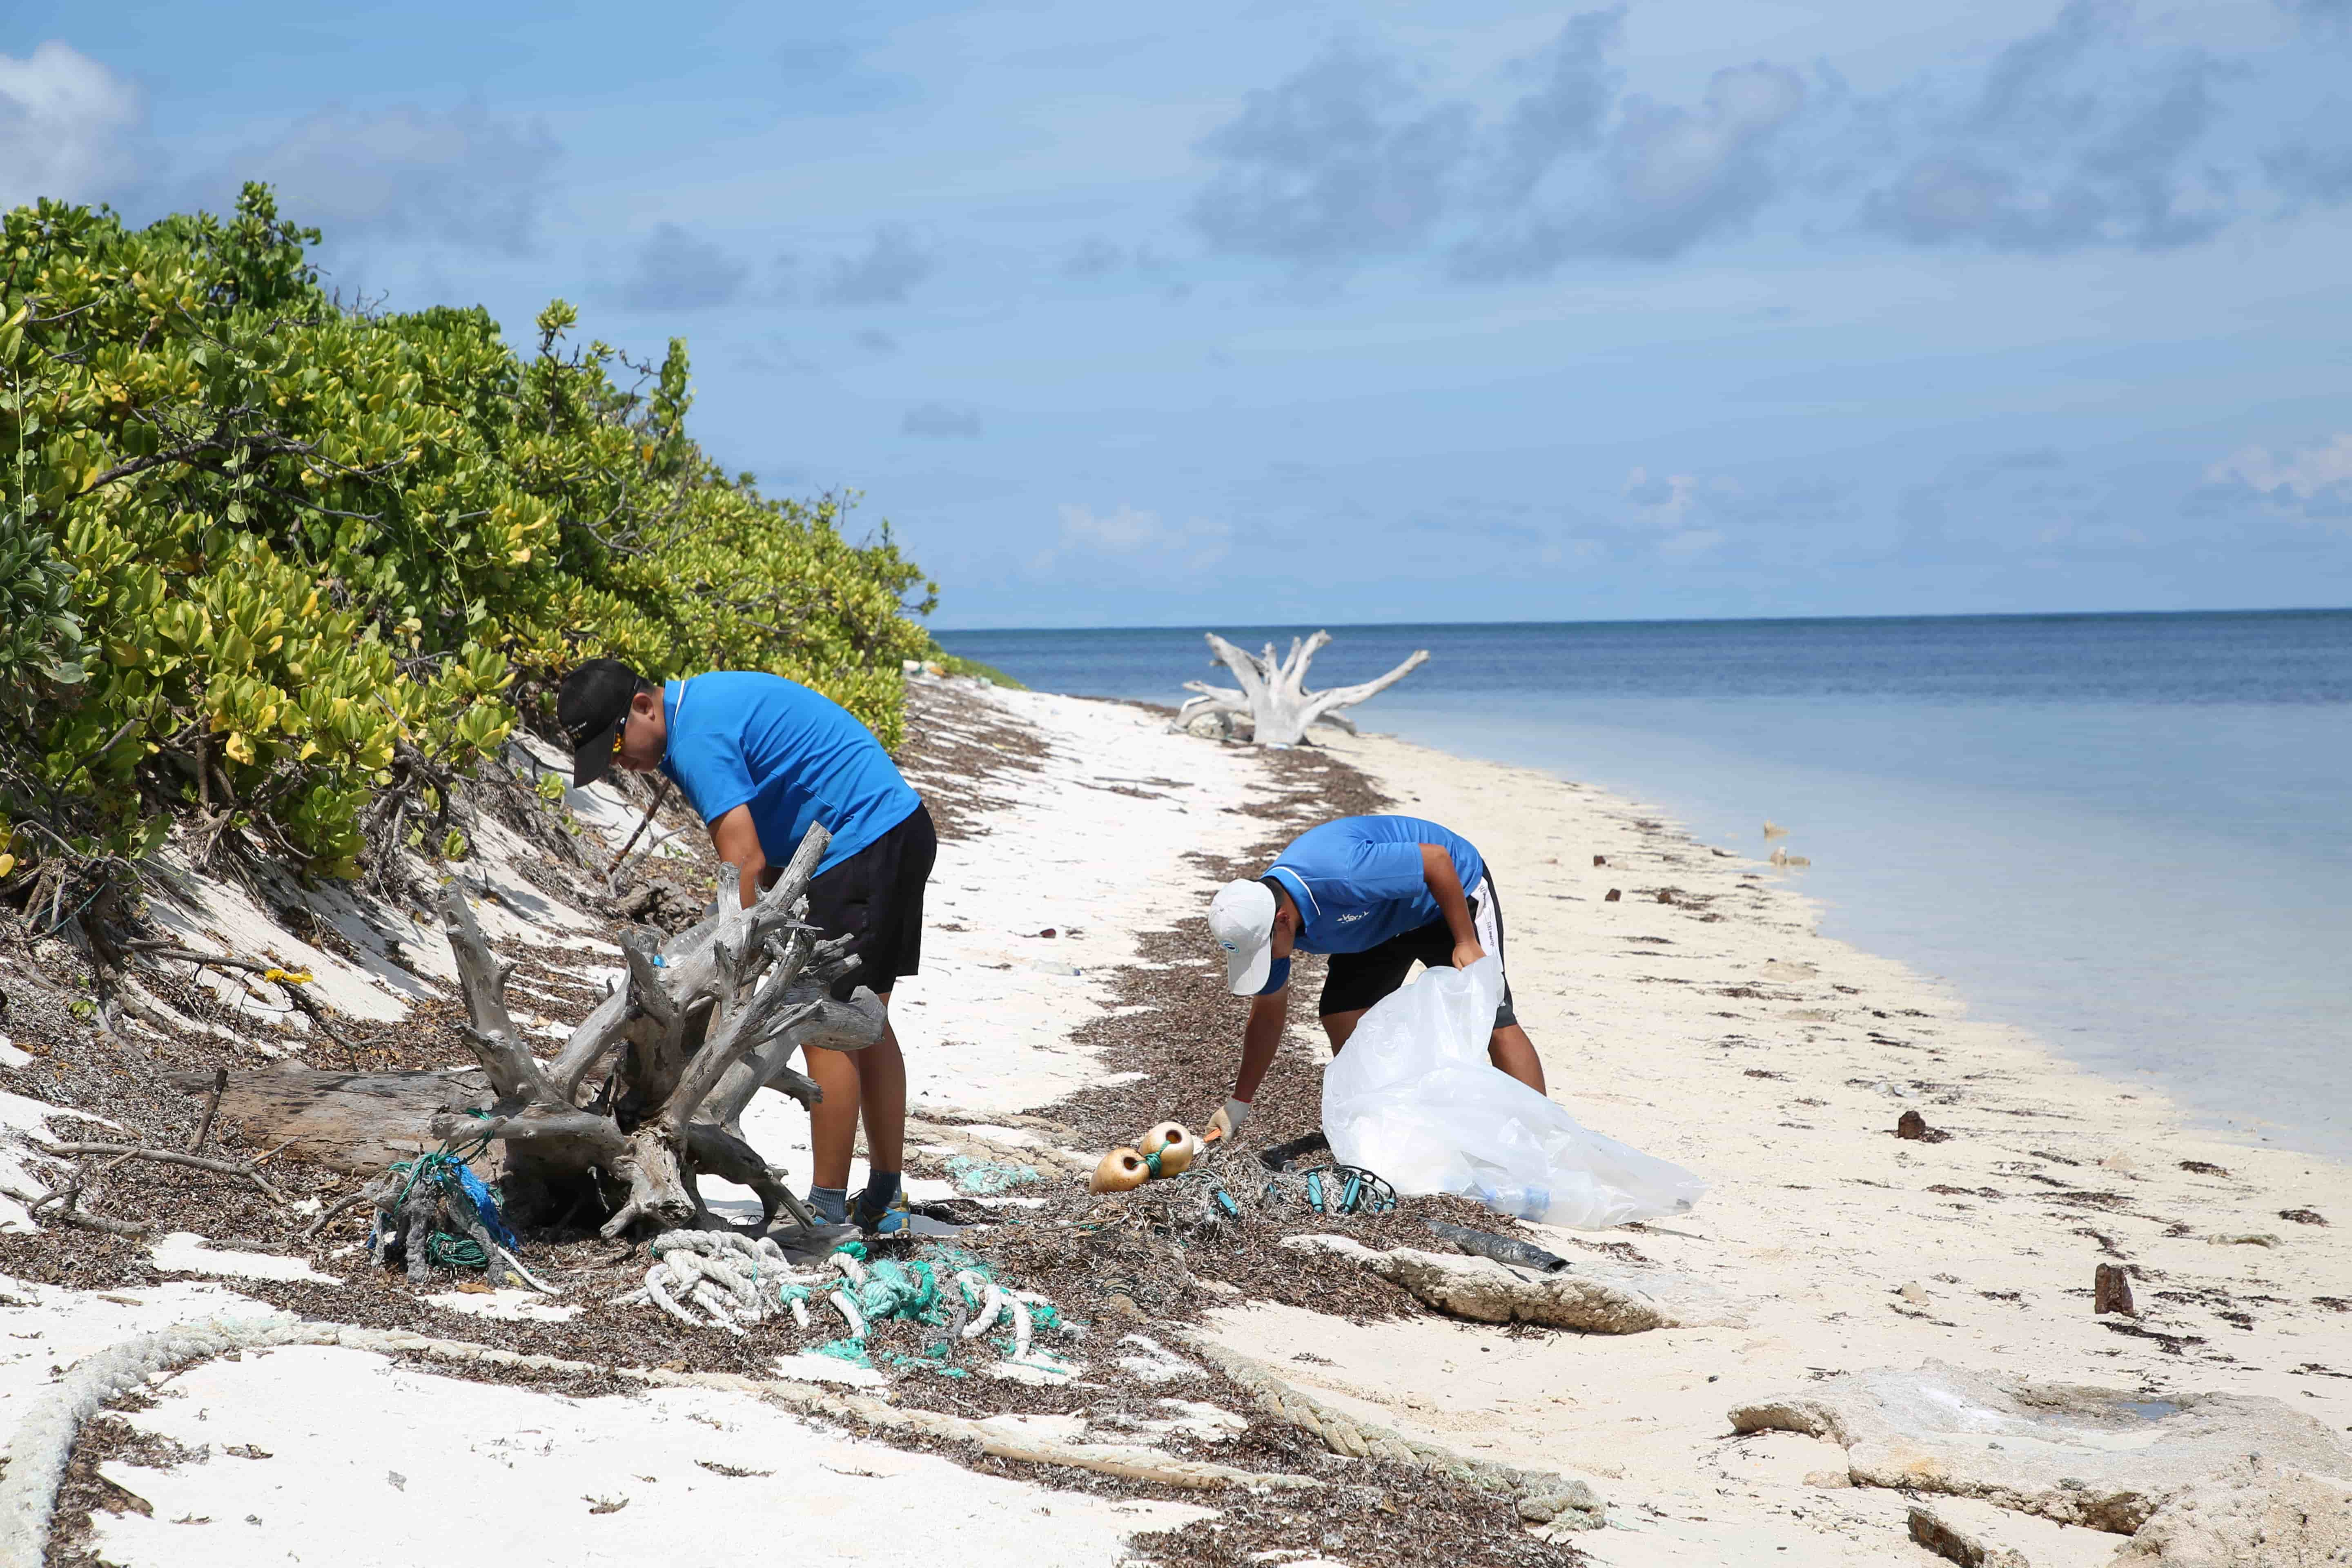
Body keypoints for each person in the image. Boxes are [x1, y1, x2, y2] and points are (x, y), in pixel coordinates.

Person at [558, 658, 935, 1234]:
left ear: (642, 707)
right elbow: (752, 866)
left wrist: (720, 959)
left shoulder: (694, 741)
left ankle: (828, 1212)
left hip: (862, 845)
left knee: (819, 1024)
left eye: (615, 746)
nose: (622, 764)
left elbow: (746, 864)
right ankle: (885, 1198)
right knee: (865, 1021)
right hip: (892, 830)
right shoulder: (700, 708)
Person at [1203, 813, 1545, 1142]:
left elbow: (1437, 861)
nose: (1268, 961)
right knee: (1342, 1013)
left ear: (1282, 920)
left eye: (1263, 953)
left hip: (1448, 892)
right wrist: (1239, 1104)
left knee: (1492, 1018)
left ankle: (1542, 1137)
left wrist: (1465, 941)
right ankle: (1379, 1118)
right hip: (1377, 916)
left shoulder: (1341, 873)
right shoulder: (1264, 925)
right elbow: (1266, 1017)